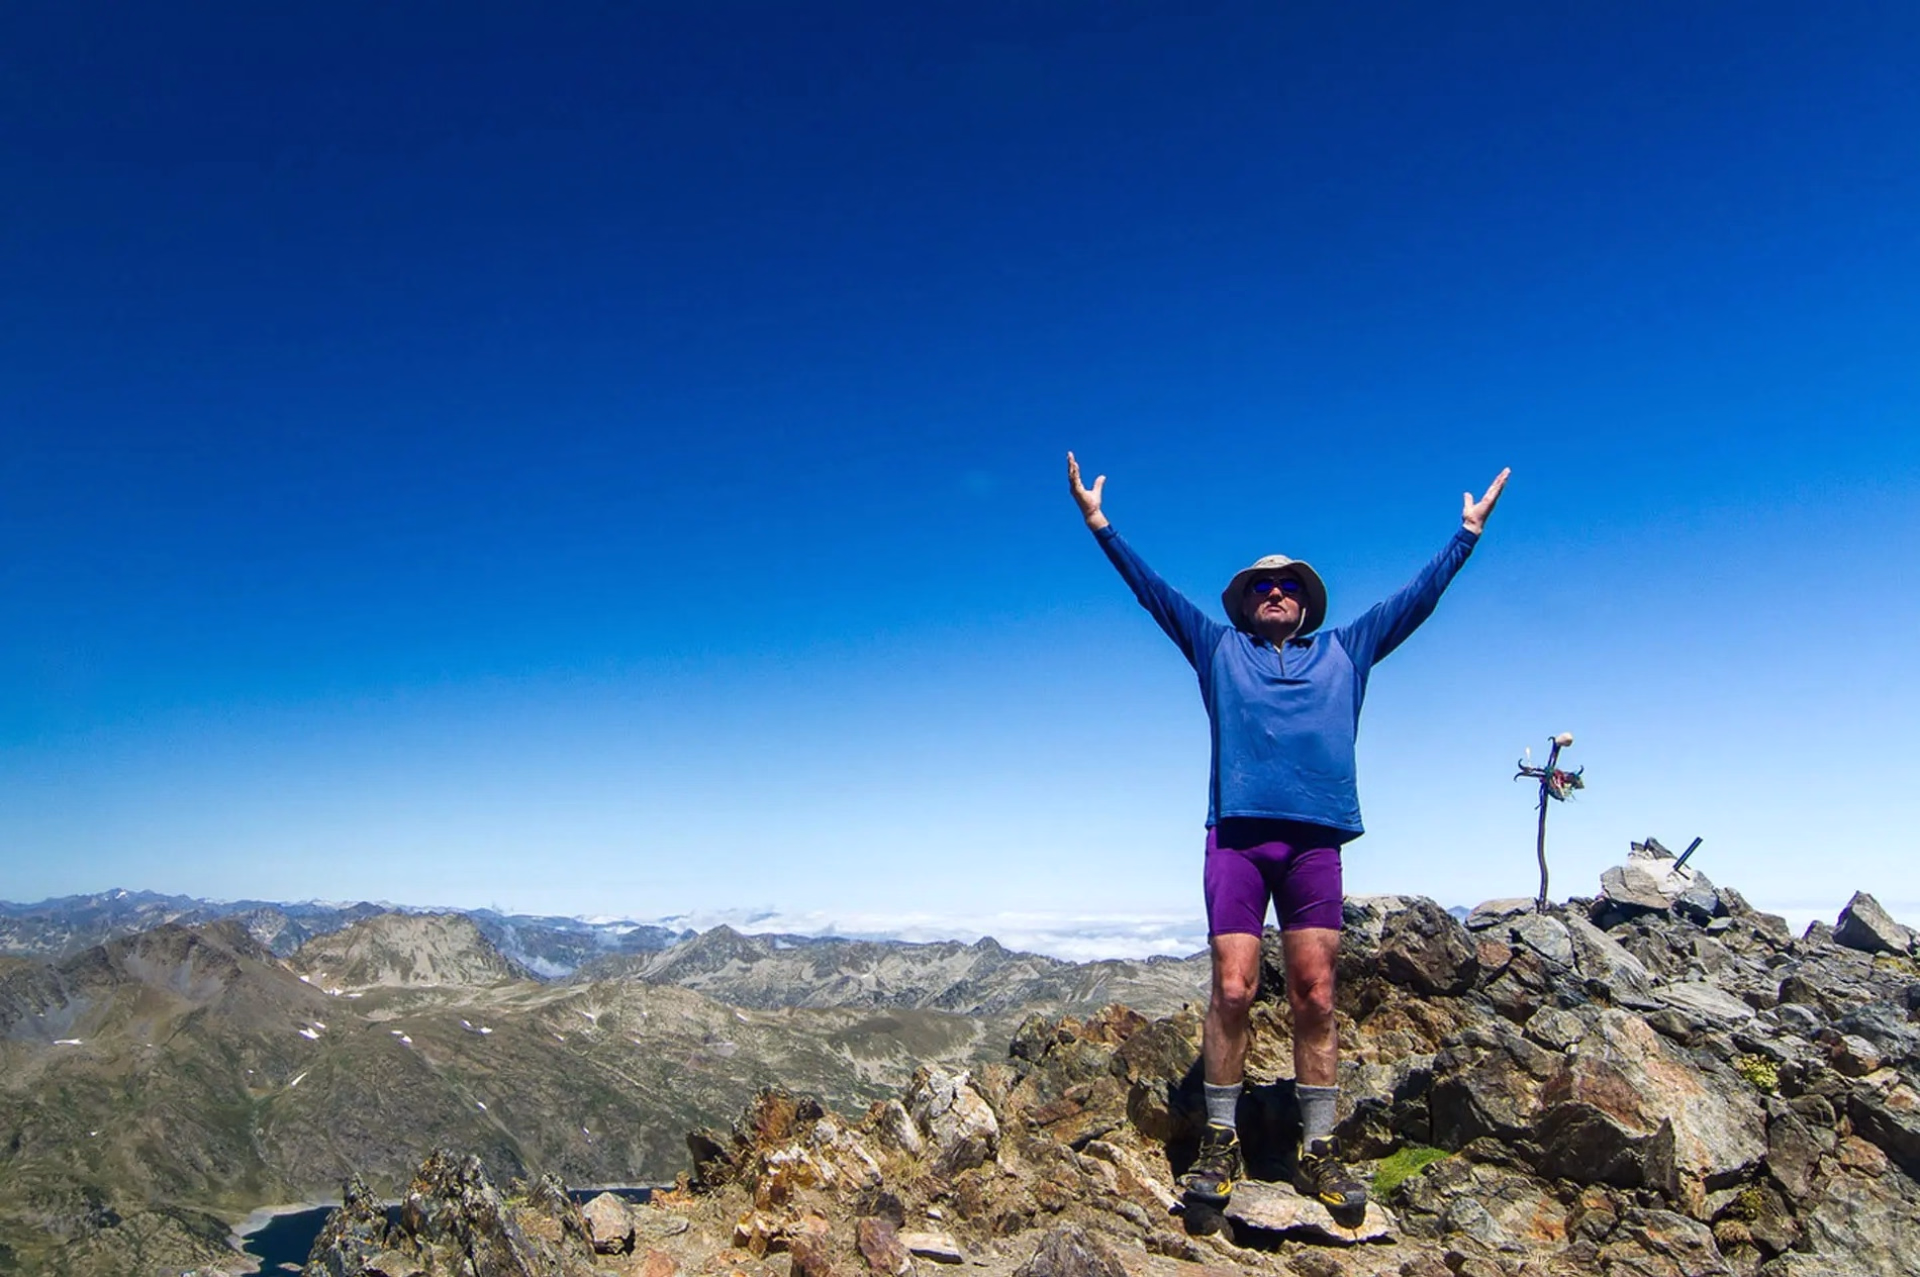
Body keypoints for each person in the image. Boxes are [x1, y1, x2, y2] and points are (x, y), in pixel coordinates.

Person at [1066, 452, 1508, 1212]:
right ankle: (1219, 1139)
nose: (1278, 593)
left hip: (1315, 840)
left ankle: (1320, 1148)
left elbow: (1415, 601)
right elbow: (1154, 595)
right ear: (1245, 605)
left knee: (1314, 993)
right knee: (1233, 987)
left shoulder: (1347, 649)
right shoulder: (1217, 649)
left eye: (1290, 586)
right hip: (1236, 835)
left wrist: (1464, 537)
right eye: (1264, 586)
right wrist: (1102, 527)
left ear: (1306, 604)